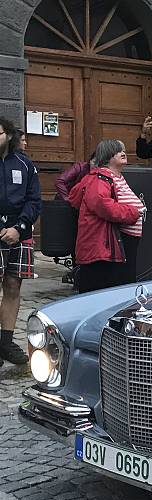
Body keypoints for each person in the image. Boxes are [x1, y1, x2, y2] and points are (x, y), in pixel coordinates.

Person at [68, 140, 145, 293]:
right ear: (107, 156)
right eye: (117, 151)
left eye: (123, 150)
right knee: (103, 291)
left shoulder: (116, 177)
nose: (123, 153)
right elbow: (103, 205)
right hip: (104, 248)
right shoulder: (100, 178)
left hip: (118, 245)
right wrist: (134, 212)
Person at [0, 118, 41, 366]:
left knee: (13, 285)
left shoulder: (25, 164)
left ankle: (5, 342)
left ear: (9, 135)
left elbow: (34, 200)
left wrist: (20, 227)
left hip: (20, 234)